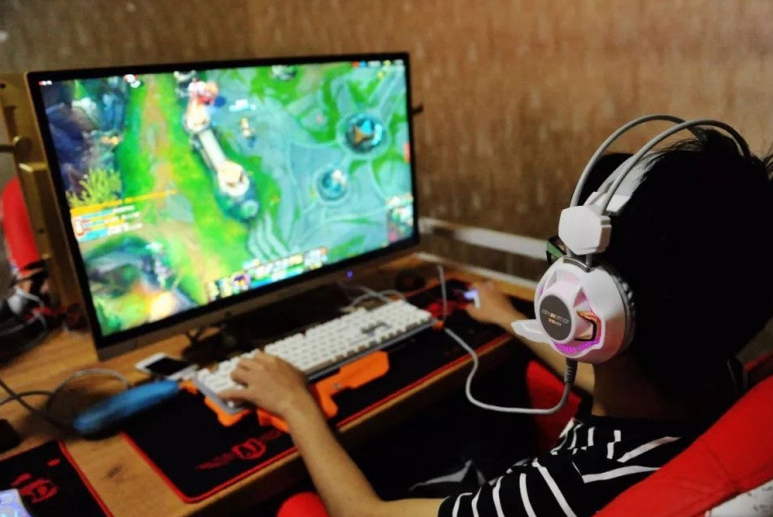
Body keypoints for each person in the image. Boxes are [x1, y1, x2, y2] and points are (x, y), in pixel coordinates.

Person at [220, 129, 773, 517]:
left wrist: (294, 402)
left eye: (565, 259)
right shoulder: (715, 377)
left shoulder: (563, 491)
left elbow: (364, 514)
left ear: (588, 301)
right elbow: (611, 378)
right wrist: (510, 320)